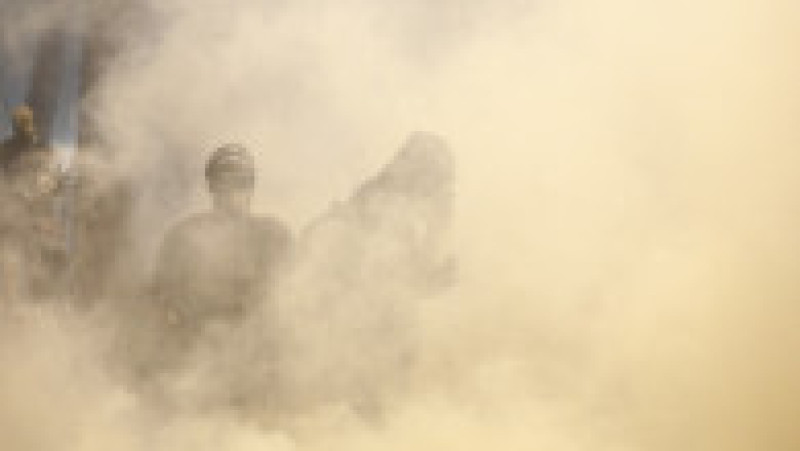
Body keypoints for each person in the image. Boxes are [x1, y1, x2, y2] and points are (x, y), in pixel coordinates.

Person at [144, 143, 292, 412]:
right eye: (225, 181)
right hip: (199, 363)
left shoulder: (273, 235)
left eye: (242, 182)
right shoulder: (184, 236)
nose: (233, 191)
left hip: (257, 366)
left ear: (252, 186)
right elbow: (158, 296)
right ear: (211, 186)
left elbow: (295, 292)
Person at [0, 105, 64, 302]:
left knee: (31, 261)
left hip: (29, 215)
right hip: (16, 214)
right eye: (19, 122)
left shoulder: (42, 150)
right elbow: (53, 185)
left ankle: (30, 303)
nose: (21, 127)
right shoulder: (10, 149)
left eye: (23, 122)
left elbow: (53, 185)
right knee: (14, 261)